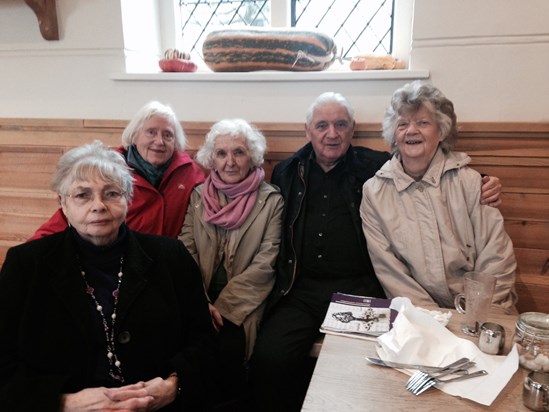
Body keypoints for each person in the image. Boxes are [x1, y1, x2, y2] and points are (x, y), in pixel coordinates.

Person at [249, 91, 503, 412]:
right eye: (322, 125)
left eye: (341, 124)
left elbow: (423, 170)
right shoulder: (287, 171)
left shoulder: (374, 166)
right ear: (308, 130)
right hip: (299, 289)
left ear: (352, 129)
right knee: (270, 357)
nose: (332, 133)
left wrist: (482, 181)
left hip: (358, 290)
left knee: (357, 365)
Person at [0, 140, 217, 411]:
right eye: (83, 195)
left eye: (111, 193)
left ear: (128, 198)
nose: (98, 205)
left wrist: (174, 386)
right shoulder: (25, 265)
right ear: (63, 203)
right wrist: (62, 402)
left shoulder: (171, 256)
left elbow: (204, 342)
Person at [360, 81, 517, 313]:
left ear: (441, 131)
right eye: (402, 124)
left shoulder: (472, 182)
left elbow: (497, 257)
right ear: (394, 134)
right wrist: (431, 319)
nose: (411, 131)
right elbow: (391, 272)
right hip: (418, 315)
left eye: (423, 123)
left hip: (483, 311)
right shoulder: (374, 192)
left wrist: (474, 315)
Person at [179, 119, 283, 409]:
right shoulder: (199, 197)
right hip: (199, 296)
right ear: (211, 159)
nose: (230, 162)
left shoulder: (271, 200)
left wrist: (221, 309)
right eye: (221, 154)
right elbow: (185, 252)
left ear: (253, 156)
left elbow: (266, 263)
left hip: (245, 301)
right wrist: (200, 303)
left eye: (238, 152)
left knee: (230, 350)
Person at [29, 101, 205, 240]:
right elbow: (67, 218)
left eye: (167, 135)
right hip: (117, 258)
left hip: (164, 262)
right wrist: (31, 256)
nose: (159, 141)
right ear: (134, 136)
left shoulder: (188, 172)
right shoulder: (107, 170)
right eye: (151, 132)